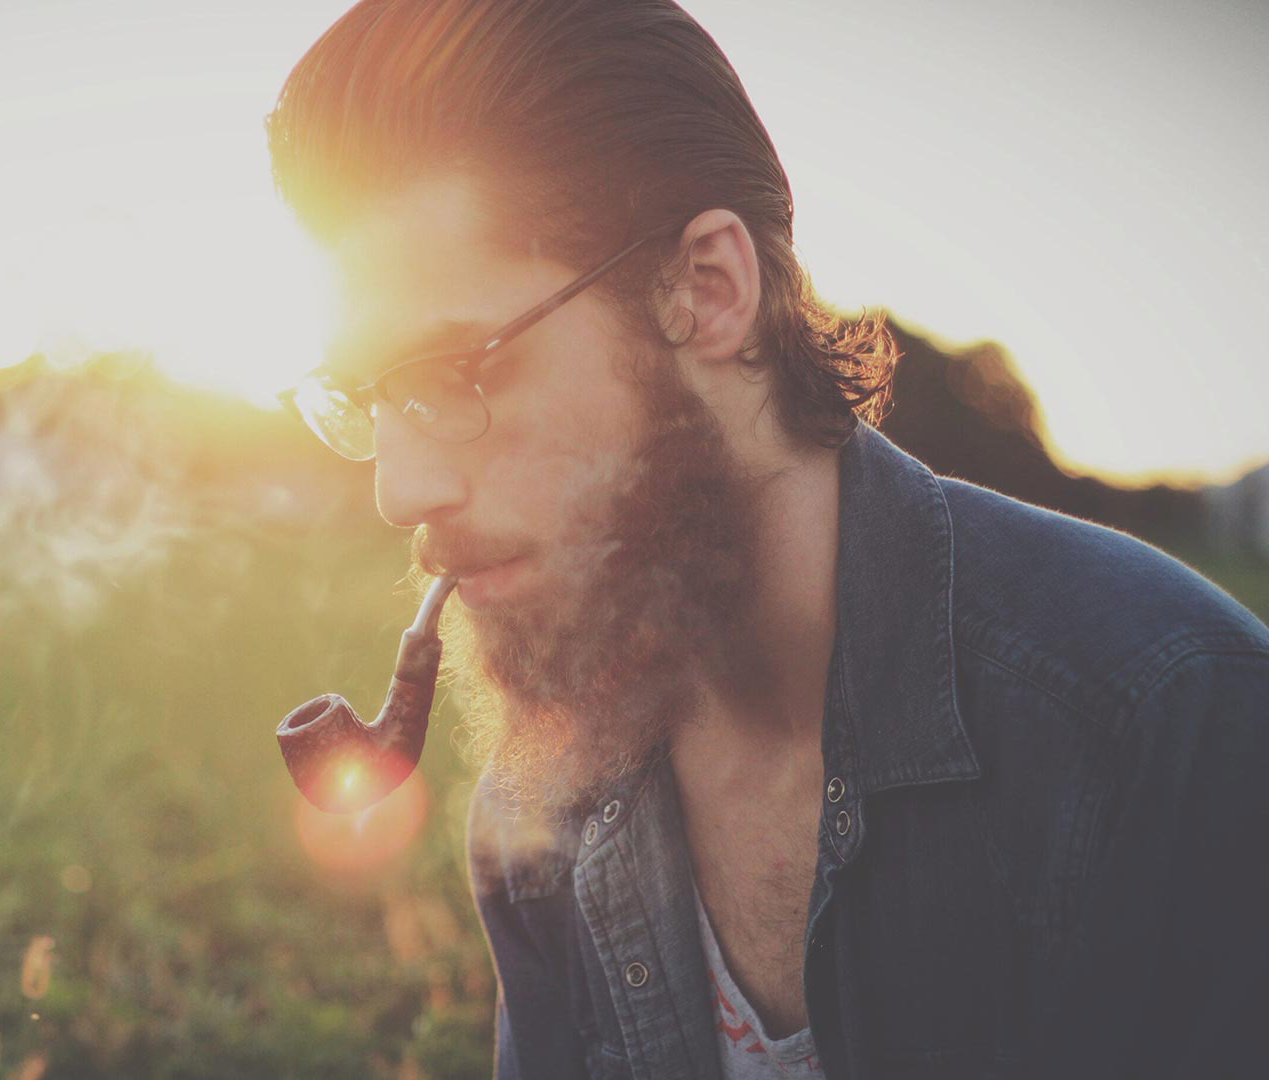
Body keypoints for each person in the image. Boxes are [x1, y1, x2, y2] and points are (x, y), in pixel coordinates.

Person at [264, 1, 1269, 1077]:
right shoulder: (536, 818)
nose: (400, 490)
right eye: (364, 399)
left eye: (448, 373)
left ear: (707, 290)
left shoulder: (1164, 725)